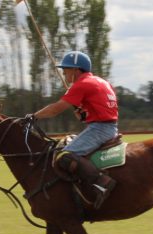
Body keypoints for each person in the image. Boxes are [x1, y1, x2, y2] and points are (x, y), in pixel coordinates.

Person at [25, 50, 118, 209]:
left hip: (100, 129)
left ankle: (101, 183)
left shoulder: (82, 84)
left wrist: (33, 116)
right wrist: (84, 114)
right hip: (108, 127)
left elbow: (55, 109)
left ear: (76, 70)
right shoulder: (101, 81)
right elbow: (99, 110)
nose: (64, 72)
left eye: (66, 69)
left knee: (65, 156)